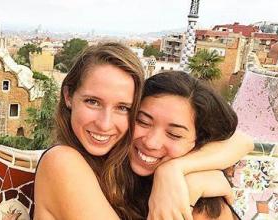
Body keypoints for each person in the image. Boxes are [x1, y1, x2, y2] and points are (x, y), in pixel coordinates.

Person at [34, 42, 252, 220]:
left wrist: (175, 172)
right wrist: (194, 186)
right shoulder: (62, 162)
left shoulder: (128, 172)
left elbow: (242, 141)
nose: (104, 123)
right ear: (68, 96)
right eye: (92, 102)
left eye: (123, 108)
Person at [126, 71, 246, 219]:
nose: (151, 142)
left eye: (174, 134)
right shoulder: (106, 166)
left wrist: (172, 170)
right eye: (143, 122)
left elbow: (241, 140)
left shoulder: (203, 208)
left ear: (199, 141)